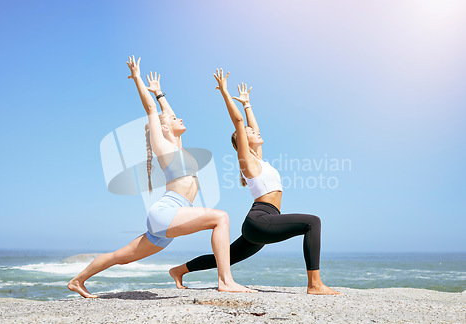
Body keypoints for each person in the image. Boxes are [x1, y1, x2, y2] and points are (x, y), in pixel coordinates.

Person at [67, 58, 255, 298]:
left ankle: (77, 280)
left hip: (169, 222)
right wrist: (138, 78)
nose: (181, 119)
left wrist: (160, 93)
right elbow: (152, 111)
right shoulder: (162, 146)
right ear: (164, 128)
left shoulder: (177, 146)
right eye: (175, 119)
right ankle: (225, 280)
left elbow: (168, 113)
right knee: (220, 218)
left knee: (121, 257)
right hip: (167, 212)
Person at [169, 69, 341, 295]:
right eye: (249, 133)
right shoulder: (246, 160)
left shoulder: (260, 160)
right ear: (242, 141)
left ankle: (178, 270)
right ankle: (315, 284)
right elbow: (239, 122)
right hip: (260, 220)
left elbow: (253, 128)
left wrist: (248, 104)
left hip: (265, 222)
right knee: (313, 222)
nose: (255, 132)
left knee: (226, 257)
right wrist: (224, 92)